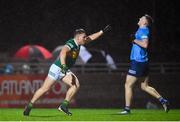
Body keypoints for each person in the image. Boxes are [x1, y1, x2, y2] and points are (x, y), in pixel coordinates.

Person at [23, 25, 111, 116]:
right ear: (77, 37)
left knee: (76, 85)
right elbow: (63, 52)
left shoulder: (79, 43)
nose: (85, 38)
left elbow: (91, 38)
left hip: (64, 69)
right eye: (84, 37)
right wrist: (64, 66)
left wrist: (102, 32)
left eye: (85, 37)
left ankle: (64, 106)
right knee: (45, 89)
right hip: (58, 68)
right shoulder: (71, 43)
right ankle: (29, 105)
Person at [120, 15, 169, 114]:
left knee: (128, 84)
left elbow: (145, 44)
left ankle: (127, 109)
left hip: (138, 62)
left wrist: (134, 40)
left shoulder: (143, 30)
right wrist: (135, 39)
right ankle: (163, 101)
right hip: (143, 62)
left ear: (145, 22)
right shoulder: (141, 30)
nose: (139, 19)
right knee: (144, 86)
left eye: (141, 18)